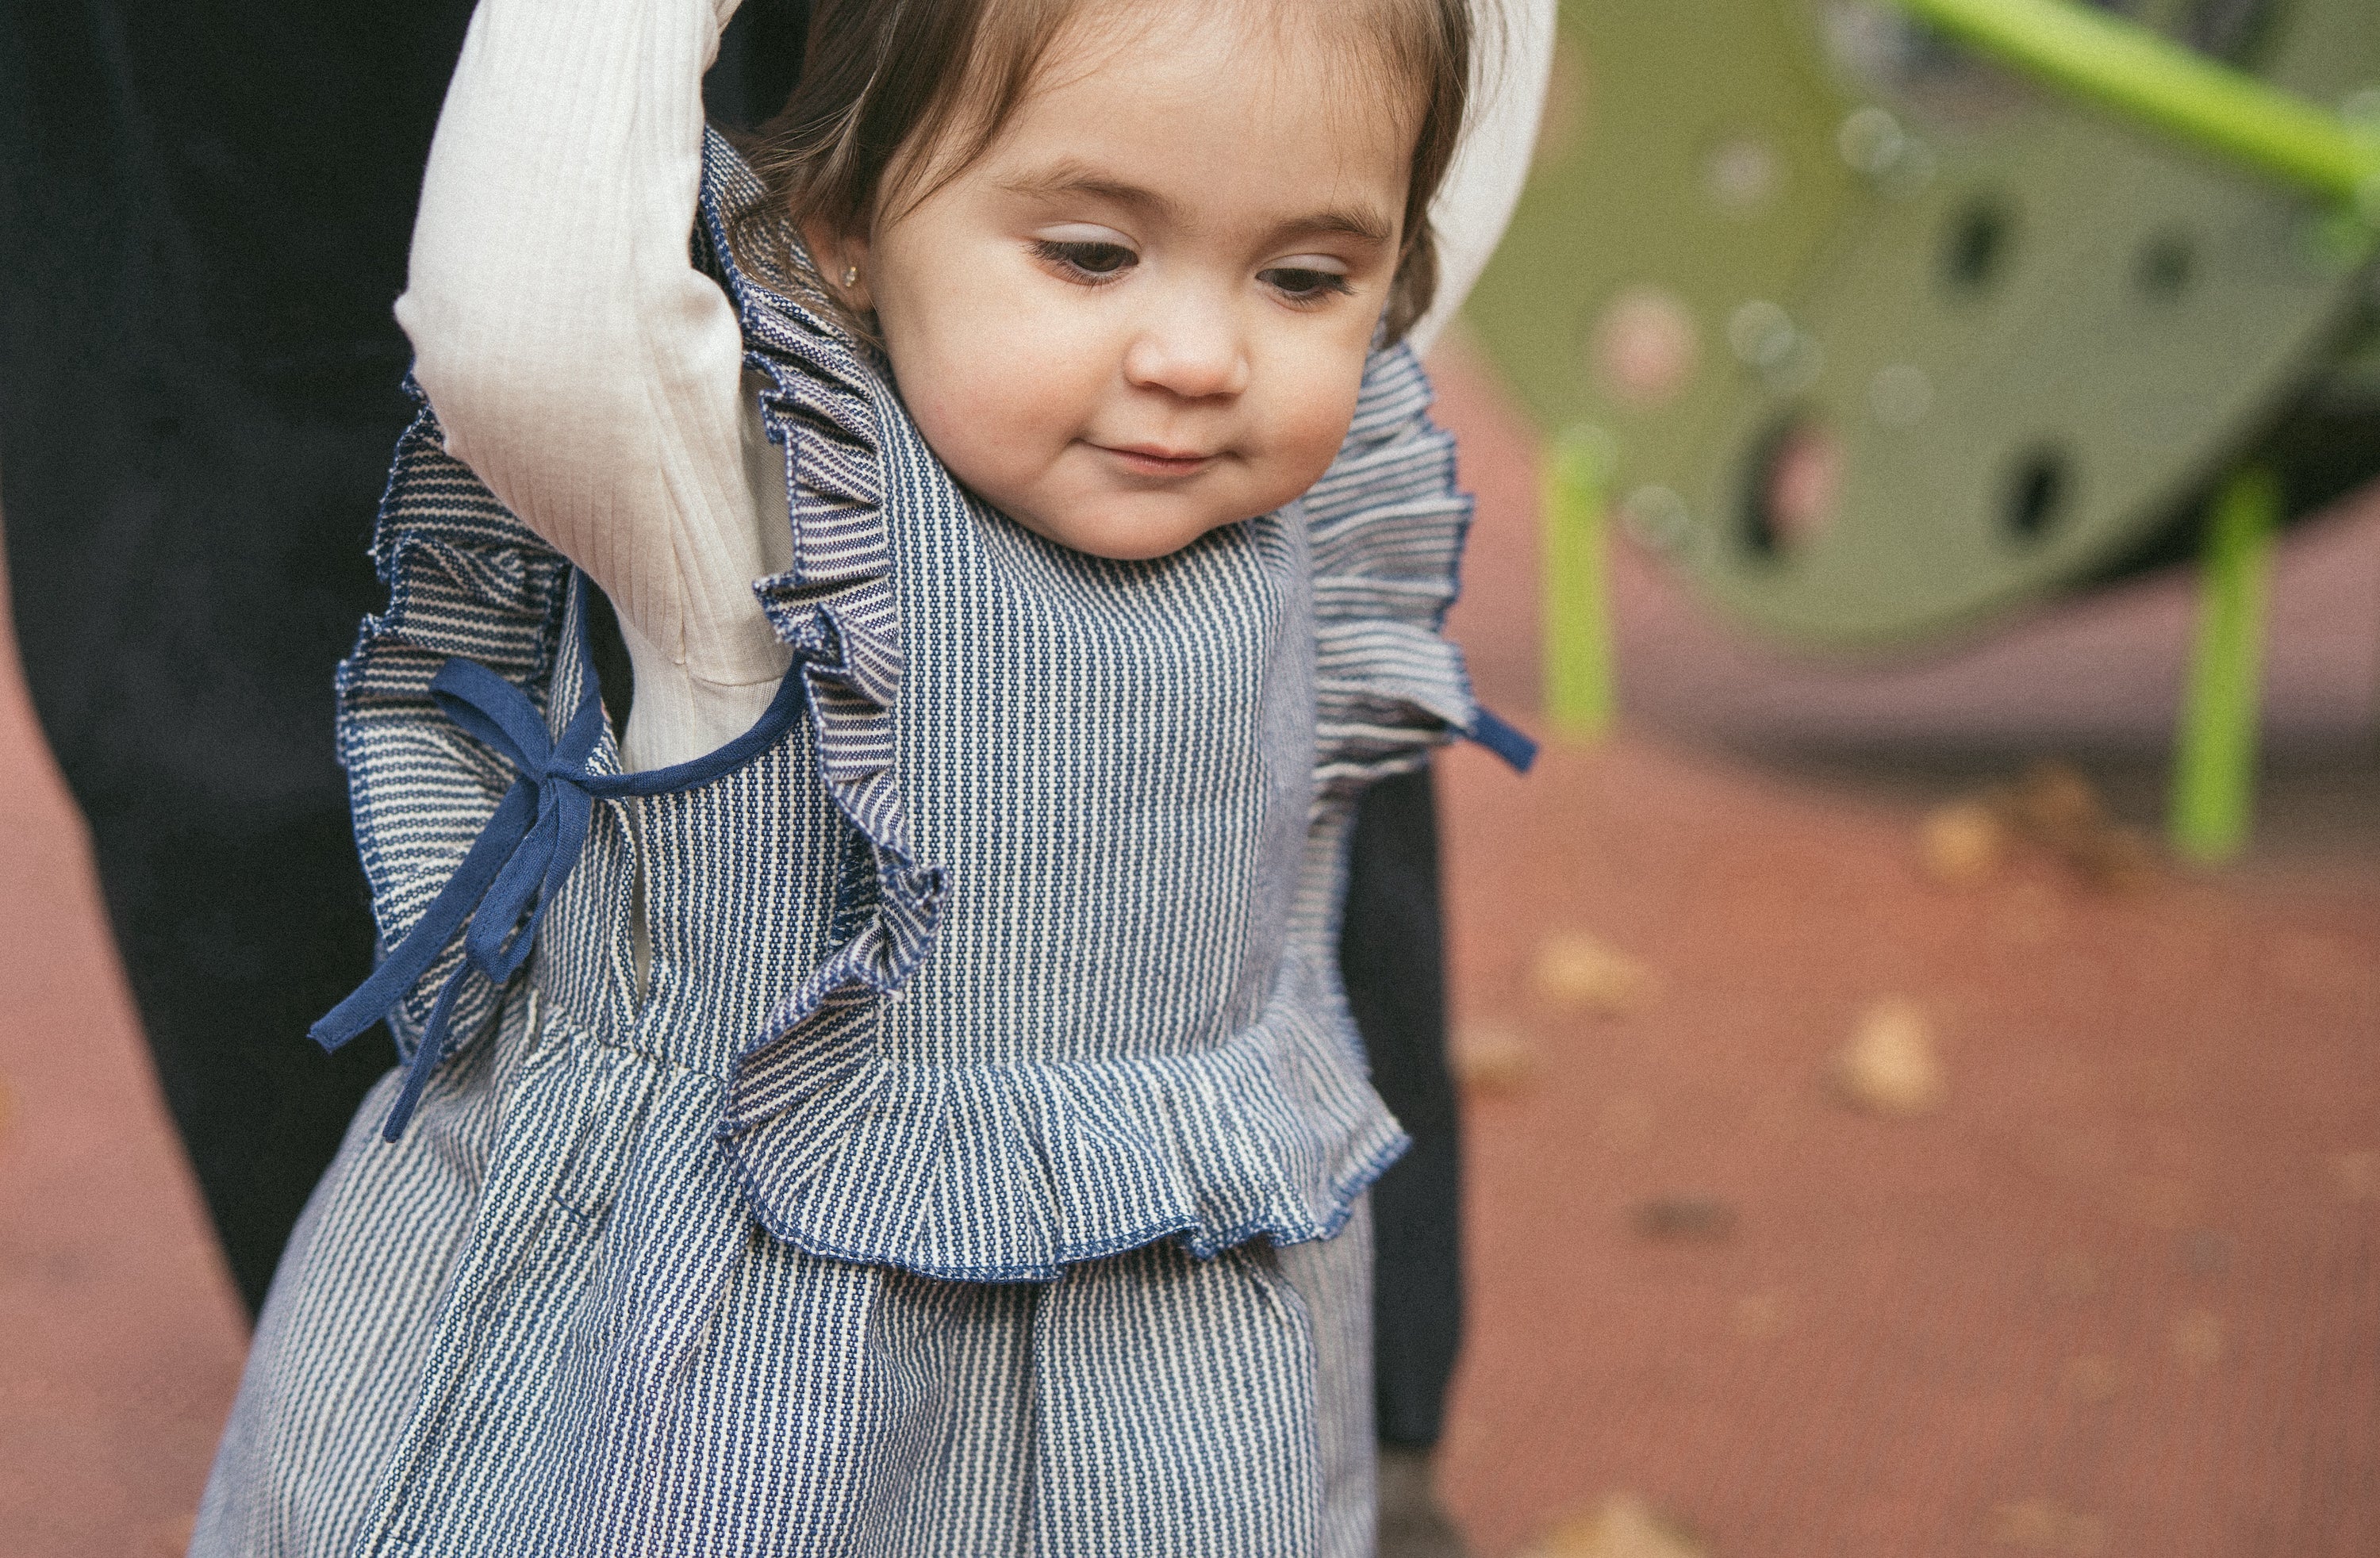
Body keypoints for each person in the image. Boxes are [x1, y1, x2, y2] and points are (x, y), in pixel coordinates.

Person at [179, 1, 1546, 1552]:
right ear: (839, 228)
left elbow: (1452, 119)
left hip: (1165, 1417)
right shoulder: (758, 535)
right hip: (744, 1410)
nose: (1198, 354)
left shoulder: (1317, 472)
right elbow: (524, 320)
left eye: (1306, 276)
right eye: (1092, 255)